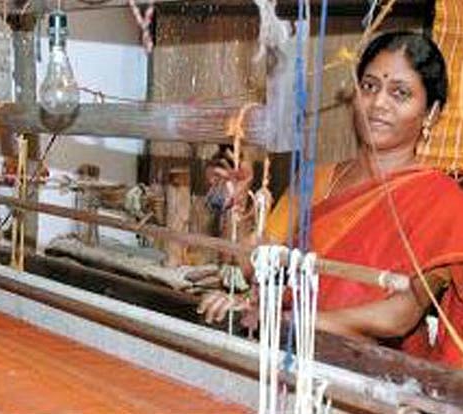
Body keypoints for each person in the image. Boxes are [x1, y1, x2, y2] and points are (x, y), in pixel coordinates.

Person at [198, 31, 463, 368]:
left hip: (375, 376)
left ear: (431, 113)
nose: (378, 103)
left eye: (400, 93)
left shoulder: (441, 199)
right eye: (369, 86)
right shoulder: (313, 179)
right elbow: (257, 266)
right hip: (288, 357)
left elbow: (398, 315)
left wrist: (291, 323)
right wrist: (236, 205)